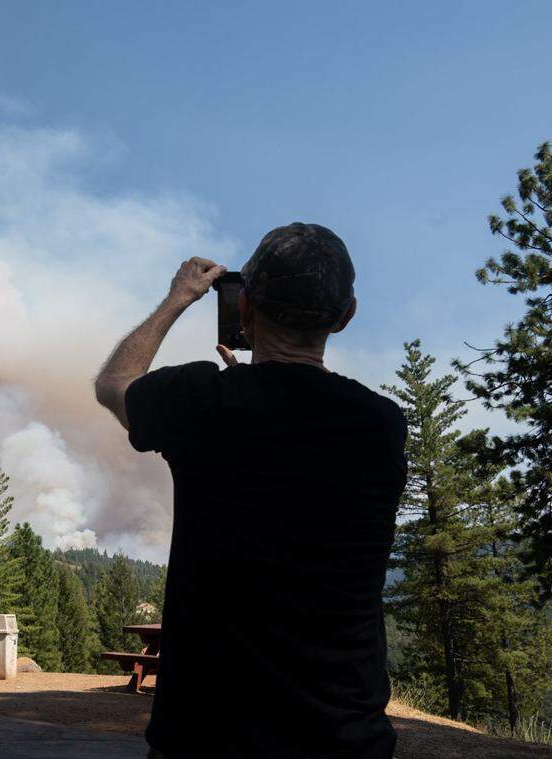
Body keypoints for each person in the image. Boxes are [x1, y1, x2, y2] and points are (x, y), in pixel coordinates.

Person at [94, 223, 407, 758]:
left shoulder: (199, 404)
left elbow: (114, 384)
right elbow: (295, 465)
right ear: (346, 315)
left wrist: (178, 300)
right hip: (343, 738)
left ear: (244, 310)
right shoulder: (381, 424)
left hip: (207, 735)